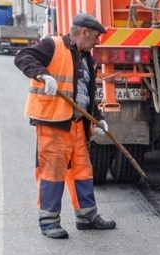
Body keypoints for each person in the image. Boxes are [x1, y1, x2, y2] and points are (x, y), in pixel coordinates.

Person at [15, 13, 115, 239]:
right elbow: (23, 56)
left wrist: (97, 118)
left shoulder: (87, 58)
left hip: (78, 125)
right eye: (96, 37)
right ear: (84, 32)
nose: (97, 42)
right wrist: (42, 74)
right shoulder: (52, 45)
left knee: (82, 171)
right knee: (53, 172)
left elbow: (86, 93)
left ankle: (86, 215)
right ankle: (49, 221)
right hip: (53, 123)